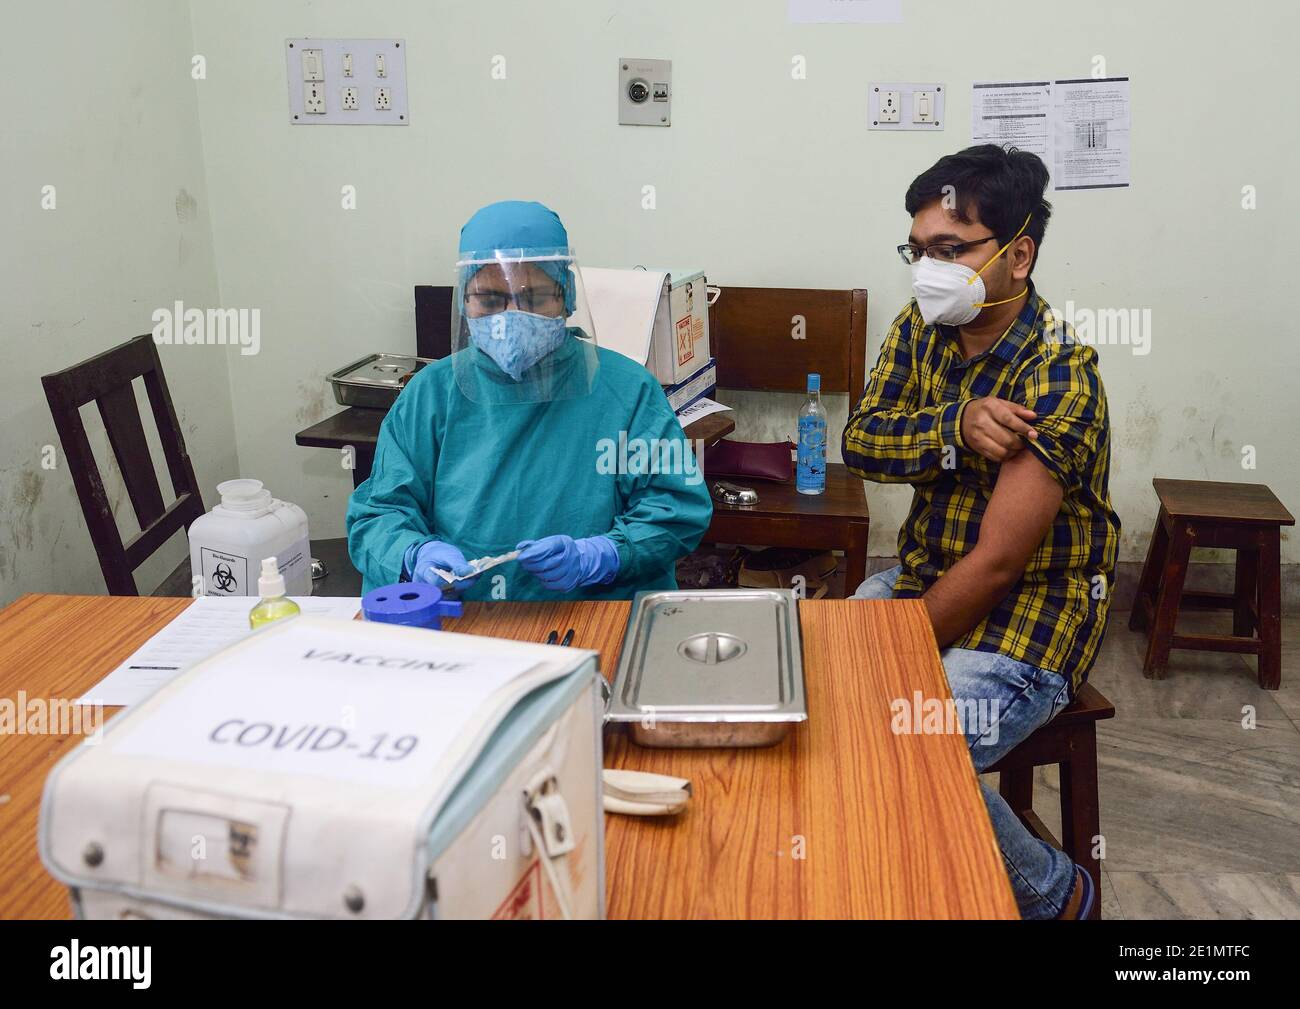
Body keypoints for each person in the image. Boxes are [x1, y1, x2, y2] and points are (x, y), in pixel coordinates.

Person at [842, 145, 1121, 920]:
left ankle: (1057, 894)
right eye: (919, 249)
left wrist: (890, 659)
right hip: (927, 580)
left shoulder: (1058, 374)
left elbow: (999, 563)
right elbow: (862, 441)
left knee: (900, 738)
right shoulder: (923, 327)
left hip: (1028, 620)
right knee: (820, 687)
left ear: (1019, 252)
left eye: (950, 249)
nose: (928, 269)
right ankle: (895, 863)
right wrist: (955, 426)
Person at [346, 200, 712, 600]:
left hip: (592, 614)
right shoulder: (431, 395)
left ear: (567, 295)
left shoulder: (626, 391)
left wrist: (602, 555)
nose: (511, 317)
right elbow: (378, 514)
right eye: (489, 300)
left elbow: (675, 508)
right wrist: (414, 554)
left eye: (534, 299)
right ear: (464, 302)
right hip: (464, 615)